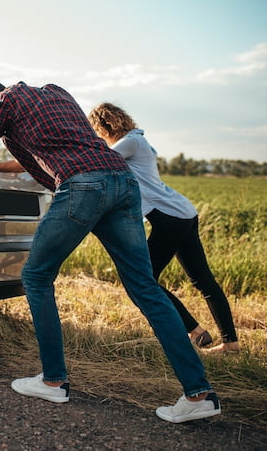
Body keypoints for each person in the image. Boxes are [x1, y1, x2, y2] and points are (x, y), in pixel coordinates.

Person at [0, 81, 221, 423]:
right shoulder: (57, 92)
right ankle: (198, 394)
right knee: (145, 287)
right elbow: (44, 162)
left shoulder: (2, 101)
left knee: (35, 276)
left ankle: (52, 380)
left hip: (83, 185)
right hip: (123, 182)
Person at [87, 103, 240, 354]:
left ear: (105, 126)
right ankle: (227, 342)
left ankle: (195, 332)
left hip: (169, 218)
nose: (98, 135)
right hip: (182, 214)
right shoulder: (137, 141)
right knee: (202, 280)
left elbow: (100, 160)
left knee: (142, 278)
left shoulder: (130, 143)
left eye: (97, 130)